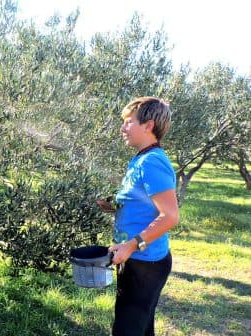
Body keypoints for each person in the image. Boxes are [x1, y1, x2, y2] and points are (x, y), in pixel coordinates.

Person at [101, 97, 179, 336]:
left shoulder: (152, 162)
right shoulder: (140, 159)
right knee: (140, 328)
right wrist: (114, 205)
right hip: (136, 258)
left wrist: (132, 245)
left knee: (127, 330)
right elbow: (144, 202)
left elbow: (170, 216)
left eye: (128, 122)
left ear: (148, 125)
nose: (123, 128)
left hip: (146, 264)